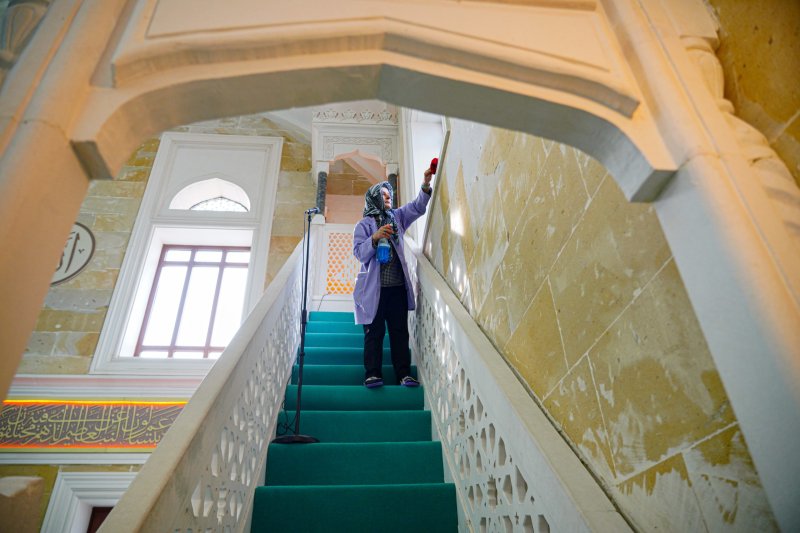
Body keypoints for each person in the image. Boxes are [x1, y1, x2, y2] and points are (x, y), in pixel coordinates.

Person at [352, 168, 433, 388]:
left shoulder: (397, 217)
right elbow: (359, 253)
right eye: (384, 196)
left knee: (399, 332)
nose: (389, 198)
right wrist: (375, 237)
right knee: (374, 332)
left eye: (390, 196)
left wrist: (426, 184)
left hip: (397, 289)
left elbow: (417, 207)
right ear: (374, 198)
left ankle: (403, 375)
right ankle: (372, 374)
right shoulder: (363, 225)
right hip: (374, 291)